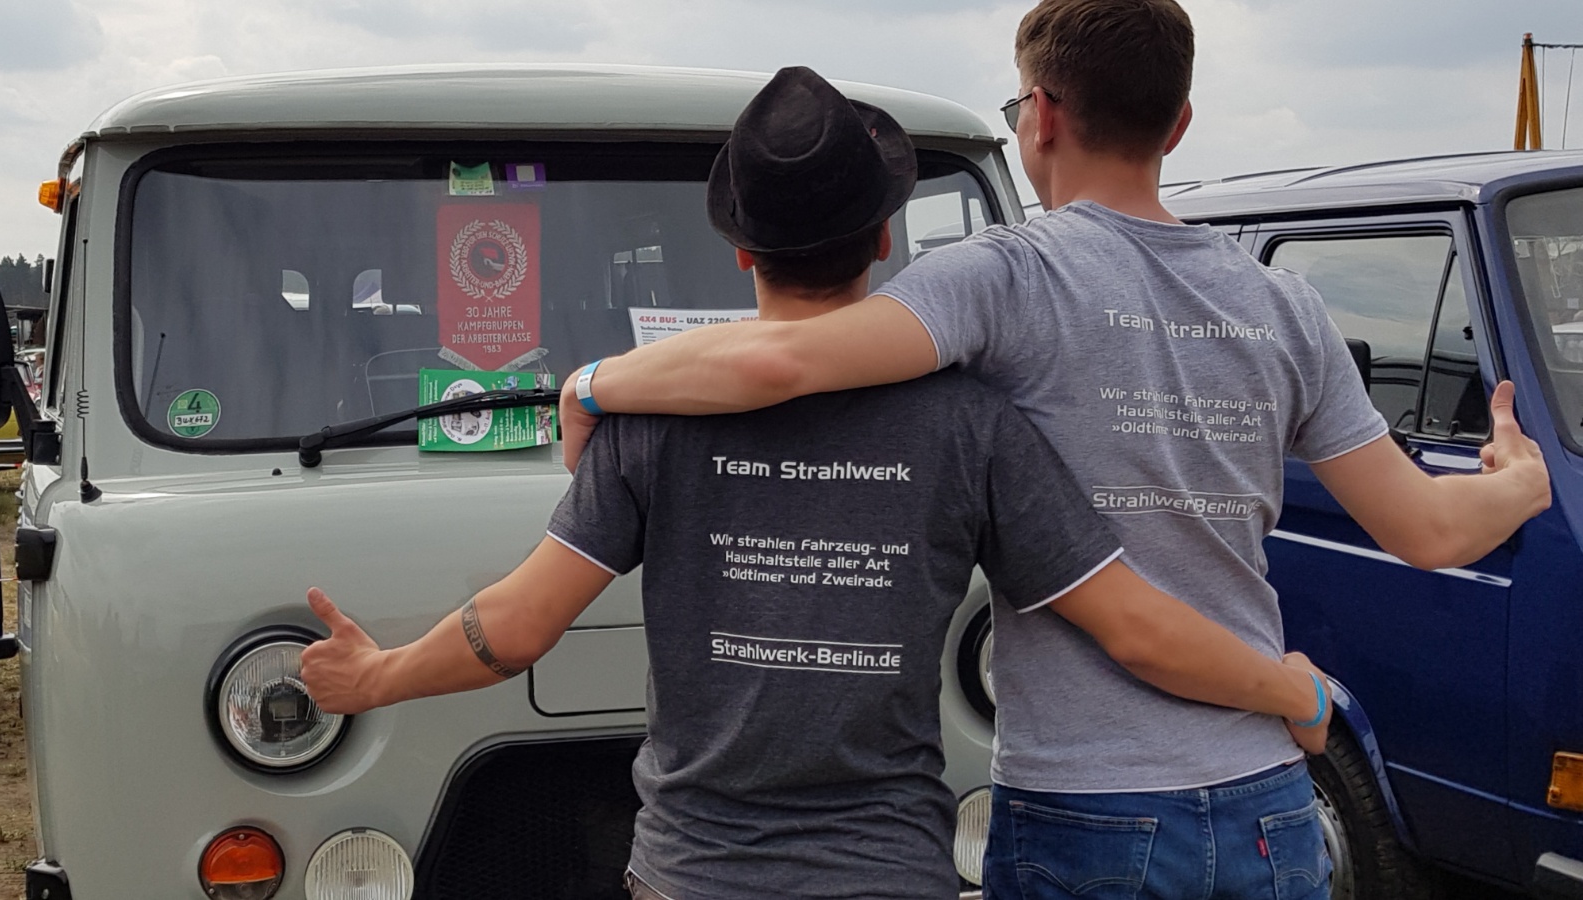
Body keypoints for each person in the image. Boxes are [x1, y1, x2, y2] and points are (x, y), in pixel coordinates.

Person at [554, 7, 1554, 900]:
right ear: (1178, 124)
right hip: (1267, 795)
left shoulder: (1001, 277)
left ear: (1039, 115)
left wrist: (594, 383)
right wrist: (1519, 483)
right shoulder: (1285, 305)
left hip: (1087, 804)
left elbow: (781, 360)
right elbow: (1427, 531)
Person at [302, 67, 1336, 900]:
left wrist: (375, 677)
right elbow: (1134, 625)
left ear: (738, 250)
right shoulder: (971, 424)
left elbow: (517, 628)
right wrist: (1290, 687)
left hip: (692, 872)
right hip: (886, 870)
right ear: (885, 239)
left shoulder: (650, 419)